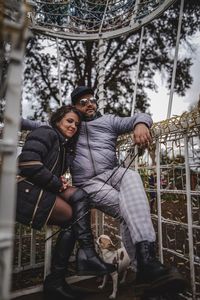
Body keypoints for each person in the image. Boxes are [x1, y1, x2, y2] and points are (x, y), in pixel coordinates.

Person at [21, 87, 186, 296]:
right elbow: (30, 123)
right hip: (89, 183)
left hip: (114, 172)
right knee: (130, 212)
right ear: (74, 107)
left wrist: (142, 124)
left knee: (133, 177)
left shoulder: (108, 121)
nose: (89, 104)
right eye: (83, 102)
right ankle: (143, 267)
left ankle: (146, 261)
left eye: (92, 100)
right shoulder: (71, 127)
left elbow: (140, 116)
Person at [17, 105, 115, 300]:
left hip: (38, 188)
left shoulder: (64, 146)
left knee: (81, 196)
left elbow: (47, 171)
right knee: (72, 217)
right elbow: (27, 163)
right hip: (21, 190)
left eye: (77, 124)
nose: (73, 127)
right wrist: (57, 183)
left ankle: (85, 256)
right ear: (58, 119)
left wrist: (58, 181)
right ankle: (60, 278)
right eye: (69, 121)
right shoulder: (46, 132)